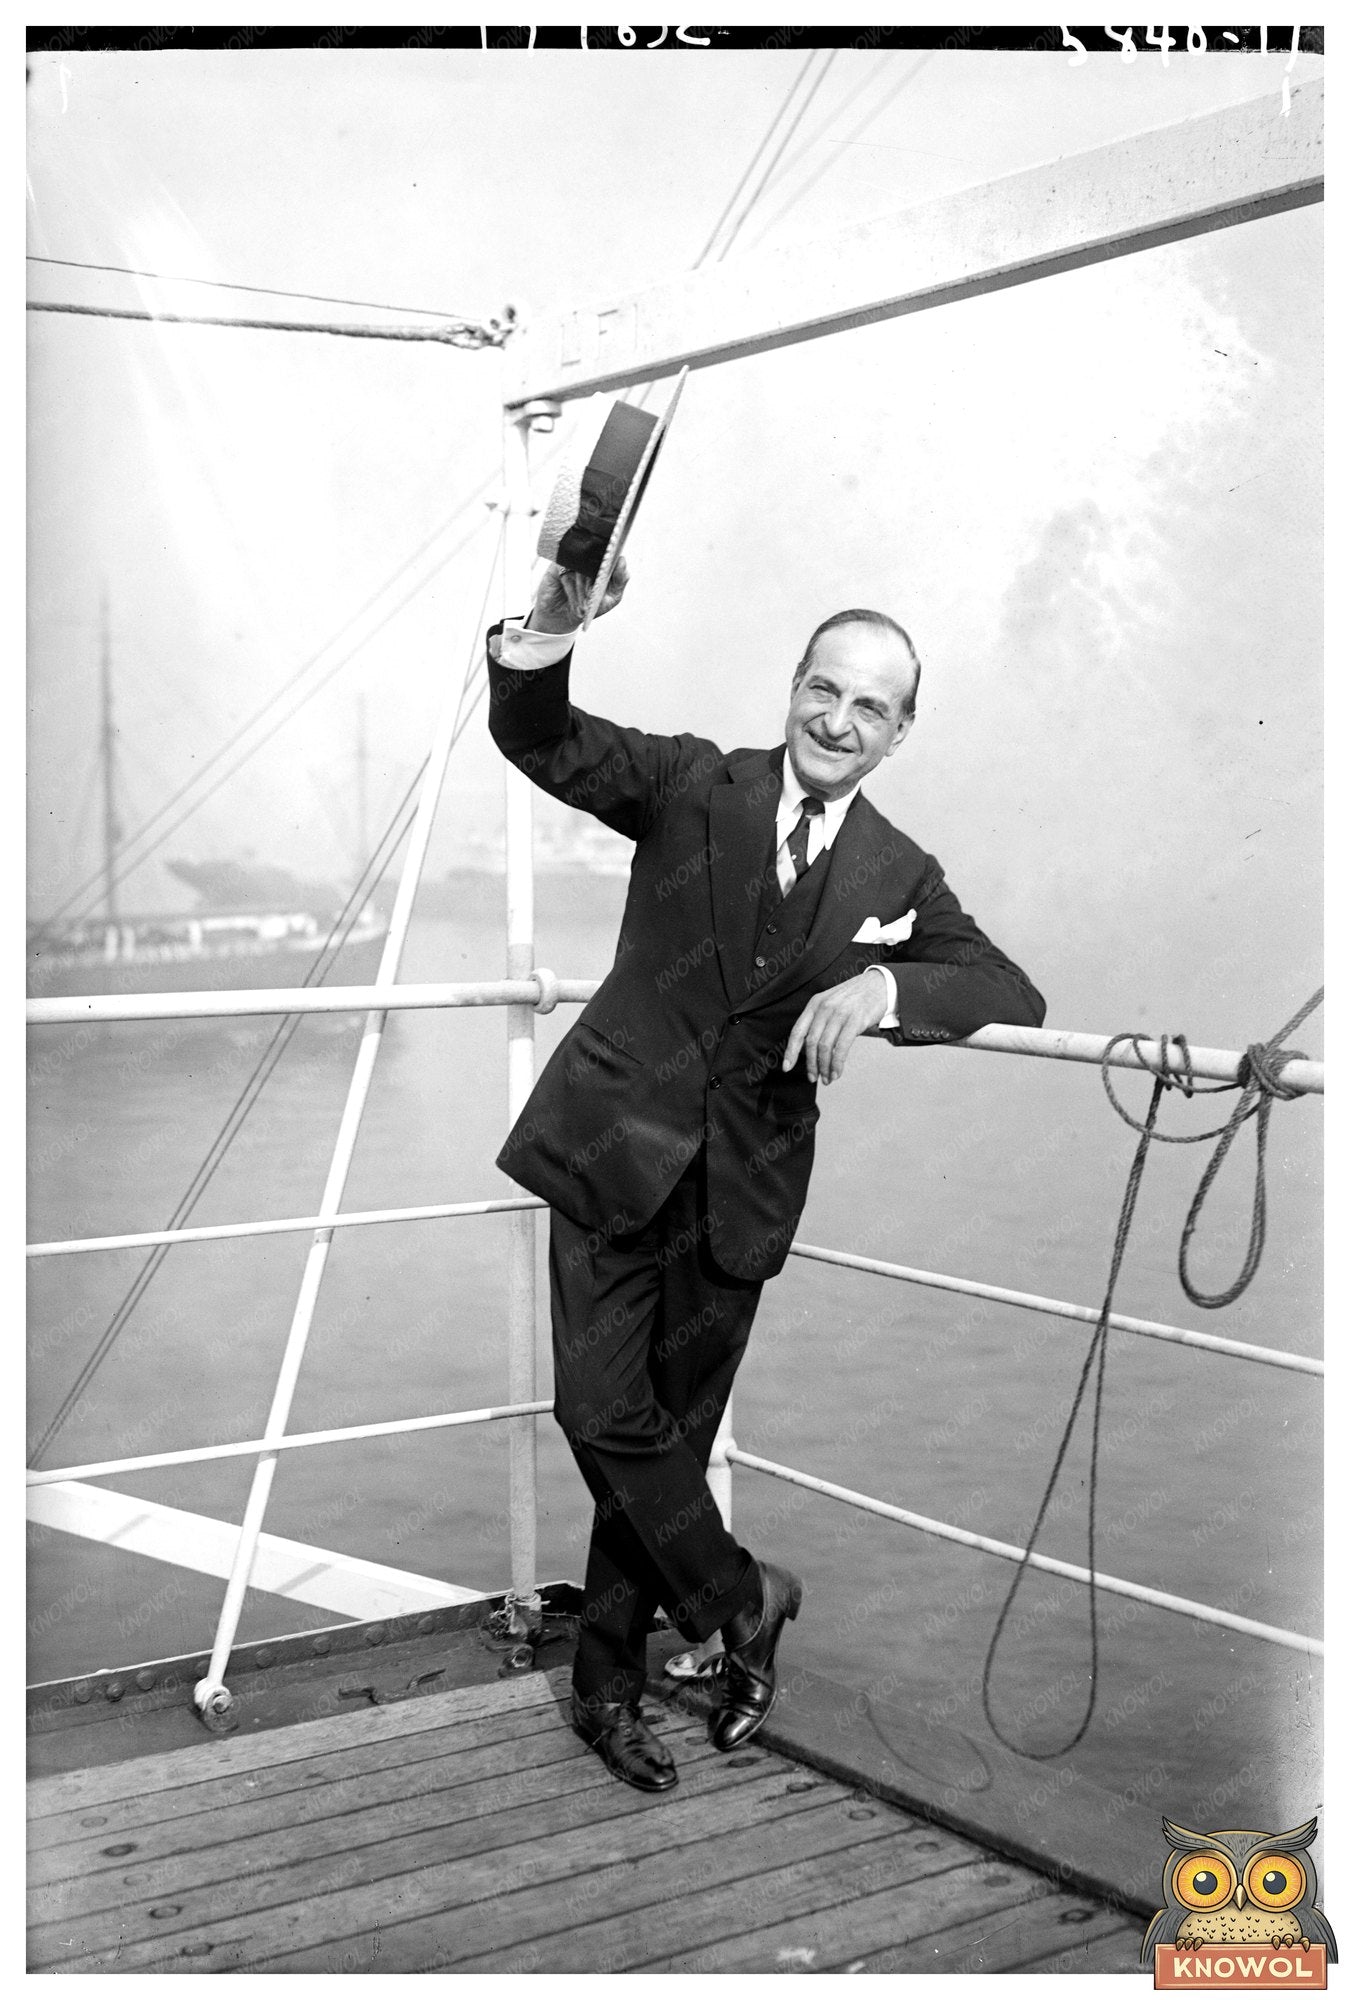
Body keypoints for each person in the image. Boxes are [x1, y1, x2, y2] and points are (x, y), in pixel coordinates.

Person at [486, 559, 1045, 1793]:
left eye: (870, 708)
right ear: (792, 688)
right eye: (822, 690)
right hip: (610, 1151)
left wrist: (888, 984)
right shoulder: (694, 784)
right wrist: (553, 628)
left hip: (739, 1191)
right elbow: (540, 733)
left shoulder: (899, 872)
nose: (837, 722)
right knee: (600, 1412)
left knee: (666, 1444)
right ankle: (744, 1601)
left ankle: (607, 1689)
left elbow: (1007, 986)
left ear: (902, 731)